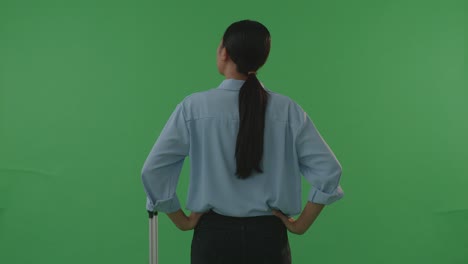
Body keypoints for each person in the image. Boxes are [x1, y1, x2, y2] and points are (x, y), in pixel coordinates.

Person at [141, 19, 345, 264]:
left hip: (212, 240)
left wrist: (182, 221)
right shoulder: (288, 110)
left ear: (224, 52)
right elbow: (329, 171)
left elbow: (153, 171)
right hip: (269, 241)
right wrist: (301, 225)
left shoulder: (193, 107)